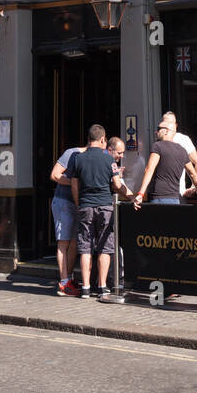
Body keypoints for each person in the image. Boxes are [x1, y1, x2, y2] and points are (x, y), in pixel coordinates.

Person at [68, 124, 135, 300]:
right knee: (105, 247)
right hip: (105, 206)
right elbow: (117, 185)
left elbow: (74, 185)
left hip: (85, 206)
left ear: (88, 139)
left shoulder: (77, 159)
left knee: (85, 247)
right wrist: (131, 196)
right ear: (103, 139)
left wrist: (78, 204)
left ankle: (86, 288)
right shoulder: (109, 160)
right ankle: (103, 286)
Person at [134, 120, 197, 207]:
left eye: (158, 129)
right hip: (175, 199)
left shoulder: (157, 146)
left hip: (158, 197)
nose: (156, 132)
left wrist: (141, 193)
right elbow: (192, 174)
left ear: (166, 131)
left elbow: (149, 169)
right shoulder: (182, 150)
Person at [50, 141, 85, 296]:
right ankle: (64, 283)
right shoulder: (71, 152)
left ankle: (68, 279)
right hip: (63, 201)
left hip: (77, 202)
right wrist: (74, 182)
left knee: (74, 242)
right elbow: (55, 175)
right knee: (64, 242)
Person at [161, 112, 197, 198]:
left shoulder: (183, 140)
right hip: (160, 194)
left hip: (178, 194)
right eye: (165, 124)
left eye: (170, 124)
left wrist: (194, 187)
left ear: (176, 125)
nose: (167, 127)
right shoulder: (158, 141)